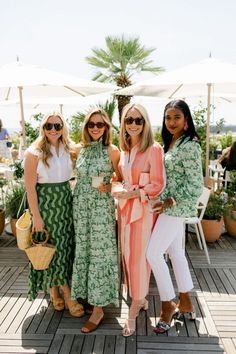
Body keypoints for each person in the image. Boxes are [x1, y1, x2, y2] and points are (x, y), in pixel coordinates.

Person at [147, 99, 203, 334]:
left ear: (186, 120)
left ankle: (168, 303)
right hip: (169, 206)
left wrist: (170, 200)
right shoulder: (173, 142)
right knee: (175, 253)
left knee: (152, 253)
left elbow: (196, 184)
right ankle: (187, 302)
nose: (171, 122)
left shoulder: (190, 145)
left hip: (175, 208)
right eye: (168, 117)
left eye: (176, 117)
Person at [24, 111, 84, 317]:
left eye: (57, 126)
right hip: (46, 204)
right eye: (48, 126)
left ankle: (54, 290)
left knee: (64, 247)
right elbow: (30, 189)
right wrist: (37, 217)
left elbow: (92, 145)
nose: (53, 130)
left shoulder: (70, 148)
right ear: (43, 128)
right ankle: (67, 294)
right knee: (52, 247)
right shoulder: (33, 152)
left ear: (63, 128)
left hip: (66, 201)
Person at [113, 103, 165, 337]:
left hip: (143, 213)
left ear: (145, 123)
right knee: (127, 255)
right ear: (123, 124)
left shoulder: (154, 149)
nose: (133, 124)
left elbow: (158, 184)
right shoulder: (125, 150)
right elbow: (122, 177)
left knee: (139, 259)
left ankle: (133, 309)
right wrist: (115, 185)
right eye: (129, 120)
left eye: (138, 120)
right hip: (125, 211)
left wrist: (133, 192)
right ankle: (140, 297)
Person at [71, 108, 121, 333]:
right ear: (86, 127)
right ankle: (91, 298)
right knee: (85, 252)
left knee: (101, 254)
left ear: (106, 127)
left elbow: (122, 181)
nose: (95, 128)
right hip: (80, 208)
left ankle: (100, 309)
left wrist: (111, 186)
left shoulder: (112, 151)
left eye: (100, 125)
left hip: (101, 209)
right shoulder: (80, 150)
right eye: (91, 124)